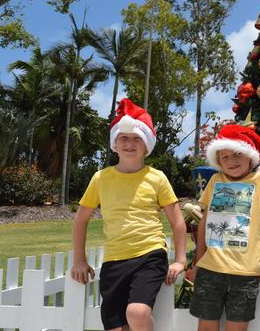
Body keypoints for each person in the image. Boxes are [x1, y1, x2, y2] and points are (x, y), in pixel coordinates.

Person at [71, 98, 187, 331]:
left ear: (147, 146)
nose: (130, 143)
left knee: (137, 312)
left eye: (137, 138)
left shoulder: (157, 177)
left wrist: (180, 260)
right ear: (114, 143)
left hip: (149, 254)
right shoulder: (100, 178)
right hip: (114, 260)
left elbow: (177, 221)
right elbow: (80, 221)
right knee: (115, 327)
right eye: (123, 138)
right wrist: (79, 260)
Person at [189, 124, 260, 331]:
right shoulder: (216, 180)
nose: (231, 161)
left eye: (237, 154)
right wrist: (199, 259)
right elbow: (204, 221)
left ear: (250, 156)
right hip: (211, 268)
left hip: (245, 273)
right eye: (224, 157)